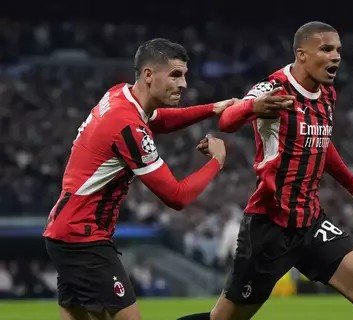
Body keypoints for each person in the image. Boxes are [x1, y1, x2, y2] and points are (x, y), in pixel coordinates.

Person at [179, 21, 353, 320]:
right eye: (327, 49)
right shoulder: (273, 88)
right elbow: (227, 120)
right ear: (302, 54)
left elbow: (322, 145)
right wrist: (253, 108)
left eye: (339, 51)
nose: (336, 57)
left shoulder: (327, 94)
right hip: (270, 226)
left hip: (311, 222)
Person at [43, 38, 234, 320]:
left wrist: (211, 109)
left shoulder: (119, 94)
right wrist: (217, 162)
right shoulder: (128, 127)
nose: (183, 84)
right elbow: (177, 196)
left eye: (184, 76)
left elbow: (157, 121)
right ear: (148, 75)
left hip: (65, 232)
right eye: (175, 75)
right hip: (82, 238)